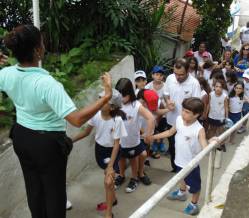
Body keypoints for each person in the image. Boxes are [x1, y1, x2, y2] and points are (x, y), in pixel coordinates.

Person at [0, 24, 113, 218]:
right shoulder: (47, 84)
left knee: (33, 187)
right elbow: (76, 119)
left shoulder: (6, 74)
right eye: (42, 43)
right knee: (54, 193)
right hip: (47, 145)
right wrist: (105, 97)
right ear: (37, 50)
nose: (44, 46)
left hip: (21, 137)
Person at [150, 97, 215, 215]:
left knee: (195, 186)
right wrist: (153, 137)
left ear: (196, 115)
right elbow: (170, 132)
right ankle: (181, 193)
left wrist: (211, 142)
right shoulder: (179, 119)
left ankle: (194, 204)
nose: (183, 113)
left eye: (187, 112)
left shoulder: (199, 129)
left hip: (191, 165)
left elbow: (205, 148)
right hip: (179, 159)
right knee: (181, 177)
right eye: (183, 110)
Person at [71, 89, 127, 218]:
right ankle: (112, 200)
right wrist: (70, 140)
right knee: (108, 178)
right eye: (99, 98)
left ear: (112, 107)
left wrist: (111, 166)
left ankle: (109, 213)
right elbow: (86, 132)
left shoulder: (117, 120)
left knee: (108, 181)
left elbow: (117, 144)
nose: (99, 102)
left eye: (104, 100)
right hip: (100, 150)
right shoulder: (96, 115)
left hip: (112, 151)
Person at [115, 78, 154, 192]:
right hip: (119, 140)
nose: (121, 99)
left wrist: (148, 134)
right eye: (119, 96)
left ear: (130, 93)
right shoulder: (116, 103)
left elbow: (150, 118)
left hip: (132, 141)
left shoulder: (136, 105)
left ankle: (134, 178)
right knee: (121, 158)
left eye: (123, 96)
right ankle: (121, 176)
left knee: (133, 159)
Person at [163, 58, 201, 172]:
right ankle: (176, 169)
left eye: (181, 75)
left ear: (188, 70)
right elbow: (165, 94)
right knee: (173, 146)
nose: (177, 77)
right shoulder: (170, 78)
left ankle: (186, 170)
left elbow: (197, 105)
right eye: (175, 74)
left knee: (185, 148)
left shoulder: (194, 83)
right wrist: (167, 102)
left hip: (187, 124)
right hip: (171, 121)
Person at [207, 80, 229, 152]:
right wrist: (206, 114)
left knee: (221, 131)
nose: (218, 88)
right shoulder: (211, 94)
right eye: (216, 86)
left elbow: (226, 107)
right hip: (212, 116)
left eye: (220, 87)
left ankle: (222, 144)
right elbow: (209, 104)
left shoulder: (225, 96)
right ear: (214, 87)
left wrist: (226, 118)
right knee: (212, 130)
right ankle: (211, 144)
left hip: (221, 118)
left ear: (222, 88)